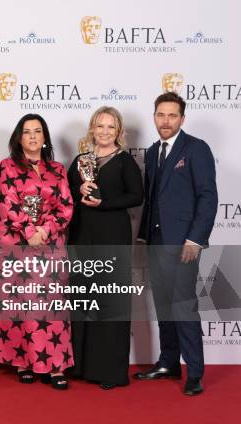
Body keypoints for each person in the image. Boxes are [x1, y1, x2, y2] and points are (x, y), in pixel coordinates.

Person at [0, 113, 74, 389]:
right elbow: (7, 203)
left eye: (38, 131)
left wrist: (46, 230)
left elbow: (66, 205)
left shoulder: (58, 169)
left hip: (50, 245)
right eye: (27, 131)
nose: (32, 136)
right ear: (19, 138)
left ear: (44, 138)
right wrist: (30, 232)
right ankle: (23, 361)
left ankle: (54, 365)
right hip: (15, 245)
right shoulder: (7, 167)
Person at [135, 92, 217, 396]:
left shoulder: (196, 149)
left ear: (182, 119)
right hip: (157, 242)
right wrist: (144, 236)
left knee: (184, 307)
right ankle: (168, 362)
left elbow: (208, 197)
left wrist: (195, 239)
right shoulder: (154, 150)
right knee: (164, 306)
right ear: (154, 117)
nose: (165, 121)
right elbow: (153, 197)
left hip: (184, 244)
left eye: (172, 115)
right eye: (160, 115)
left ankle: (194, 372)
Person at [67, 106, 143, 389]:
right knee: (83, 302)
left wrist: (105, 202)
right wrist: (79, 191)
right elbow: (67, 198)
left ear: (119, 132)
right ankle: (80, 367)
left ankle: (109, 372)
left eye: (111, 127)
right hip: (82, 238)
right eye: (100, 126)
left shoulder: (125, 162)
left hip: (112, 238)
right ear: (92, 129)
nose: (105, 131)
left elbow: (137, 196)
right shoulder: (79, 161)